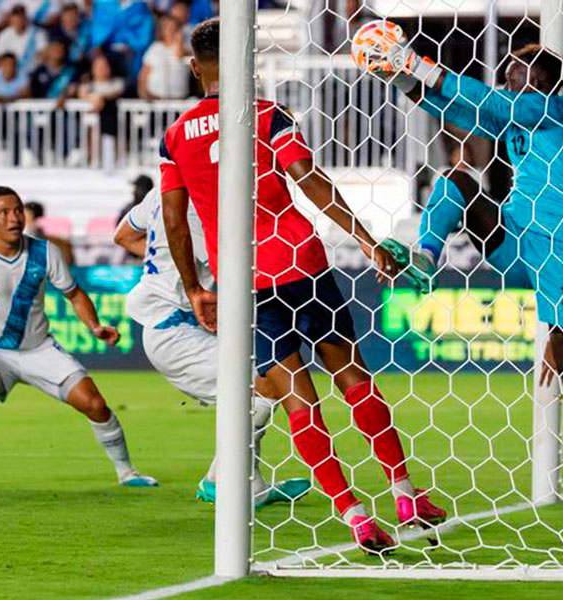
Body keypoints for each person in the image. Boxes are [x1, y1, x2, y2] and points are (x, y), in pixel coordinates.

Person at [161, 18, 446, 554]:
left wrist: (196, 287)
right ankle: (405, 497)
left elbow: (175, 221)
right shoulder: (268, 116)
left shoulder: (175, 136)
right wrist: (366, 240)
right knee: (354, 379)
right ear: (246, 59)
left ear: (196, 68)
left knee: (298, 402)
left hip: (246, 281)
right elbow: (308, 177)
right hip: (304, 265)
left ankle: (355, 515)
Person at [355, 24, 563, 520]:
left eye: (522, 79)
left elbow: (492, 103)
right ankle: (426, 255)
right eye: (509, 79)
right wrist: (402, 80)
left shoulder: (561, 113)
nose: (513, 87)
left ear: (549, 85)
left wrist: (418, 63)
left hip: (560, 256)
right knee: (457, 180)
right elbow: (462, 111)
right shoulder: (517, 119)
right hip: (514, 238)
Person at [0, 185, 158, 489]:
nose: (14, 218)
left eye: (17, 210)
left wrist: (94, 326)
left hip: (40, 349)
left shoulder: (43, 252)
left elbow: (74, 294)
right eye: (4, 212)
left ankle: (127, 472)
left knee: (95, 404)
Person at [113, 186, 313, 508]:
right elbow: (235, 270)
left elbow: (123, 235)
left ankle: (247, 483)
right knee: (266, 378)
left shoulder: (159, 193)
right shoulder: (196, 208)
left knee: (258, 381)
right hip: (173, 330)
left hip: (177, 321)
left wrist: (171, 268)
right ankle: (218, 479)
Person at [138, 15, 190, 100]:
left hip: (178, 99)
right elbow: (144, 73)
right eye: (167, 27)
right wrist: (144, 94)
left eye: (173, 27)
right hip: (155, 99)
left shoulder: (185, 47)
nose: (170, 31)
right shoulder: (154, 48)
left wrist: (179, 40)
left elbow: (179, 57)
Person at [0, 4, 46, 74]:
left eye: (21, 17)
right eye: (16, 17)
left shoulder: (38, 33)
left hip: (32, 72)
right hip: (10, 72)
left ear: (26, 18)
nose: (19, 20)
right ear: (11, 19)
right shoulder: (3, 35)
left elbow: (42, 55)